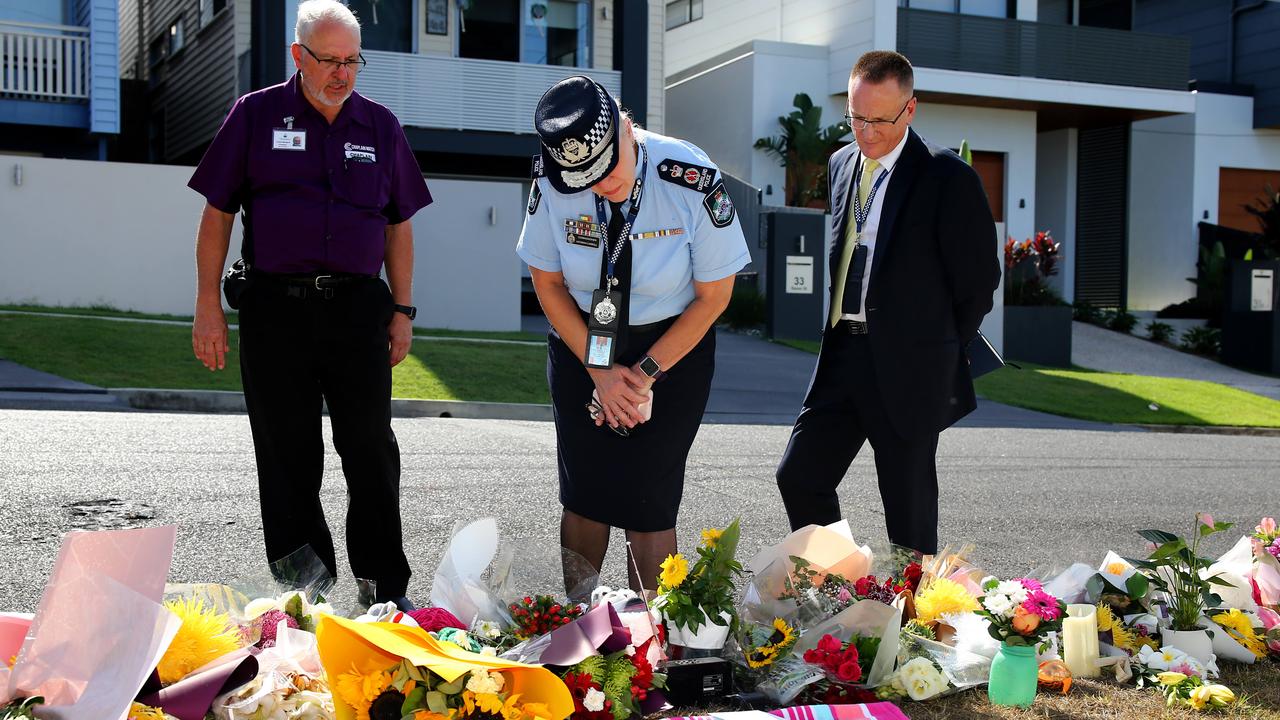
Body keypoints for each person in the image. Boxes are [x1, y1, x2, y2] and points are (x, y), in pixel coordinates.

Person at [188, 0, 431, 609]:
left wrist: (402, 310)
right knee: (287, 456)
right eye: (328, 61)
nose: (342, 74)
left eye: (352, 61)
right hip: (275, 311)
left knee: (371, 452)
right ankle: (308, 600)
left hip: (357, 313)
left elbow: (398, 225)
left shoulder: (381, 126)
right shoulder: (254, 115)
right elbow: (217, 214)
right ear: (297, 56)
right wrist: (207, 306)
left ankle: (383, 595)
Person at [517, 76, 750, 594]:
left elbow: (714, 297)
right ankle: (581, 624)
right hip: (584, 339)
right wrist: (600, 371)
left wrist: (641, 376)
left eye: (609, 168)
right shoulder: (552, 178)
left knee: (651, 497)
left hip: (672, 345)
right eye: (586, 178)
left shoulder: (687, 174)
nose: (601, 184)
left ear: (627, 127)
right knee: (585, 491)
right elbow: (547, 283)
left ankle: (648, 642)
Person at [774, 51, 1000, 566]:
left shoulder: (948, 177)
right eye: (856, 117)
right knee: (800, 476)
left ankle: (914, 629)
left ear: (910, 110)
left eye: (880, 119)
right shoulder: (839, 164)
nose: (867, 131)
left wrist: (937, 348)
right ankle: (838, 588)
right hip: (842, 355)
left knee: (908, 507)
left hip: (911, 365)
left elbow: (978, 283)